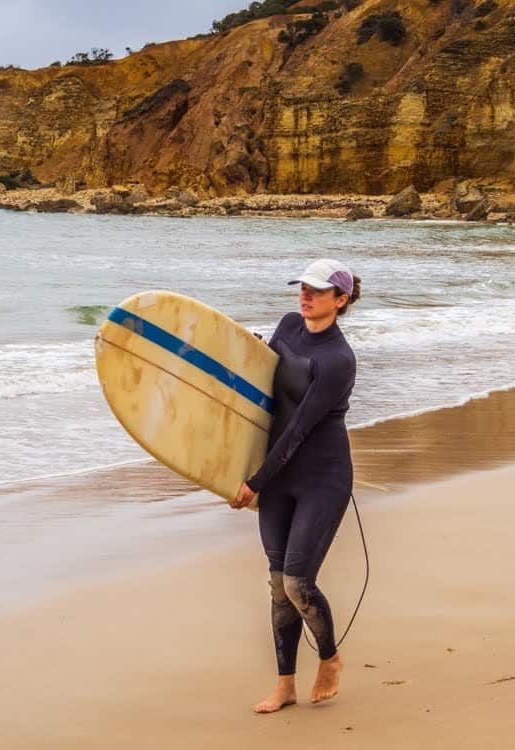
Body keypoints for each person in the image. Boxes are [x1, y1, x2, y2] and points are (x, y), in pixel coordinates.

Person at [229, 258, 362, 713]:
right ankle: (285, 685)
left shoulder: (339, 360)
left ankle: (330, 658)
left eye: (317, 291)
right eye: (302, 288)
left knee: (298, 582)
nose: (305, 296)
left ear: (340, 301)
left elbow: (299, 428)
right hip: (280, 475)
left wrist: (253, 481)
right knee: (276, 584)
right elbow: (263, 379)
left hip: (322, 478)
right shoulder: (288, 325)